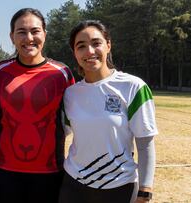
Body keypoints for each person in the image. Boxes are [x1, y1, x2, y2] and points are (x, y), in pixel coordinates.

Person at [59, 20, 157, 203]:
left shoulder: (133, 87)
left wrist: (145, 189)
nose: (89, 51)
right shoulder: (70, 93)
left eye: (96, 43)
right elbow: (61, 134)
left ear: (108, 45)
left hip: (120, 186)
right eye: (81, 46)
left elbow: (145, 143)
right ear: (74, 52)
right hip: (74, 184)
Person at [0, 8, 75, 203]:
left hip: (50, 172)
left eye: (35, 31)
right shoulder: (0, 71)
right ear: (12, 37)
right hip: (3, 171)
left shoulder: (62, 73)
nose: (29, 38)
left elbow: (70, 121)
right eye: (21, 32)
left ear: (45, 34)